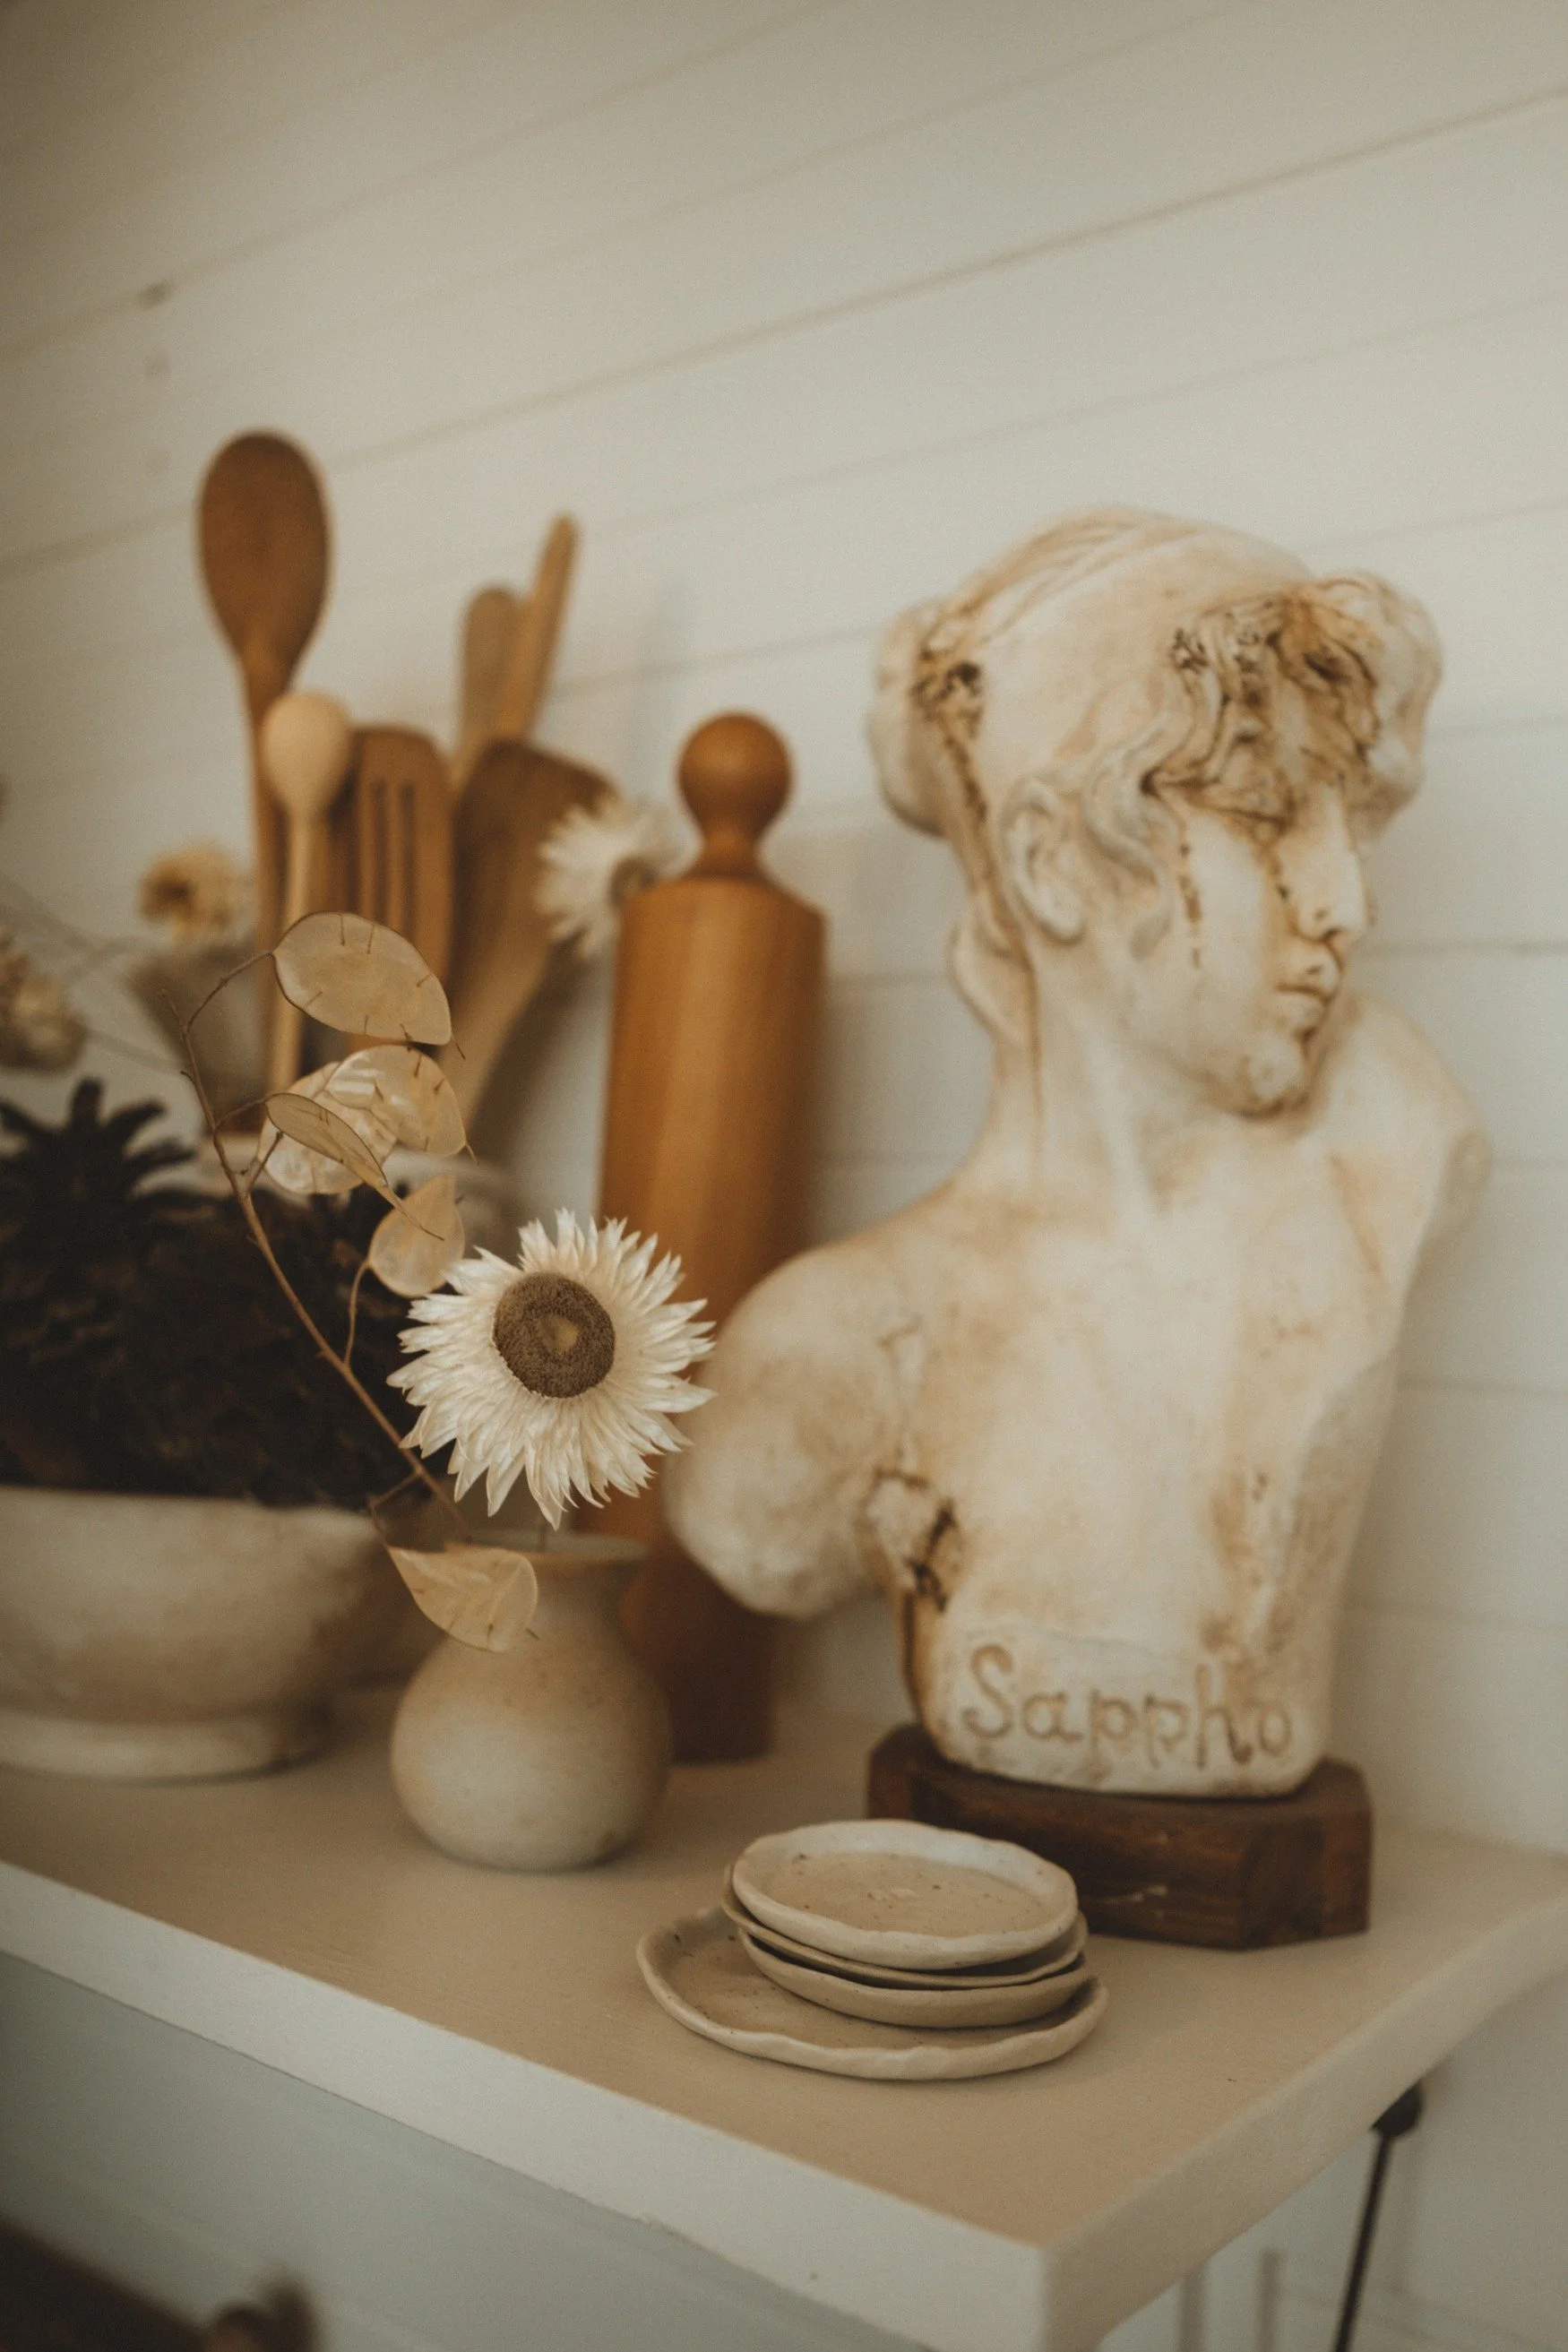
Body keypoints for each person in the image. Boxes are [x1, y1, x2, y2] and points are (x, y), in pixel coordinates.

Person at [667, 511, 1486, 1796]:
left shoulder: (1387, 1166)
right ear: (1051, 864)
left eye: (1347, 826)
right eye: (1268, 814)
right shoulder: (833, 1352)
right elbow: (747, 1531)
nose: (1345, 901)